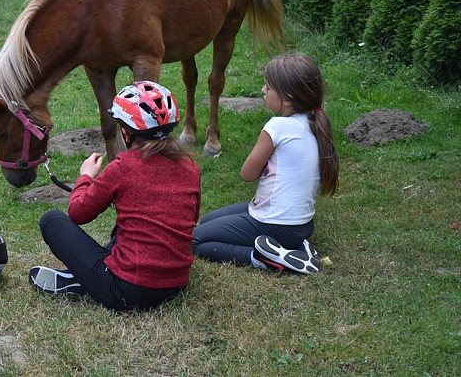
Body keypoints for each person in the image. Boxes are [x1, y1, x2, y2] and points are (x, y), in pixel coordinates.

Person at [29, 81, 201, 311]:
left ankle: (84, 281)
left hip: (126, 290)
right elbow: (191, 217)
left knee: (51, 220)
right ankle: (88, 279)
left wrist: (85, 177)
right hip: (176, 284)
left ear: (126, 131)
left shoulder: (123, 166)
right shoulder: (190, 166)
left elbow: (78, 212)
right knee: (128, 228)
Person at [192, 53, 338, 274]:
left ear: (287, 98)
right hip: (301, 226)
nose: (262, 90)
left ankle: (263, 258)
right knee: (208, 221)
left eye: (268, 87)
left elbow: (247, 174)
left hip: (272, 223)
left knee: (194, 240)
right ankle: (295, 247)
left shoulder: (277, 126)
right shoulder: (314, 122)